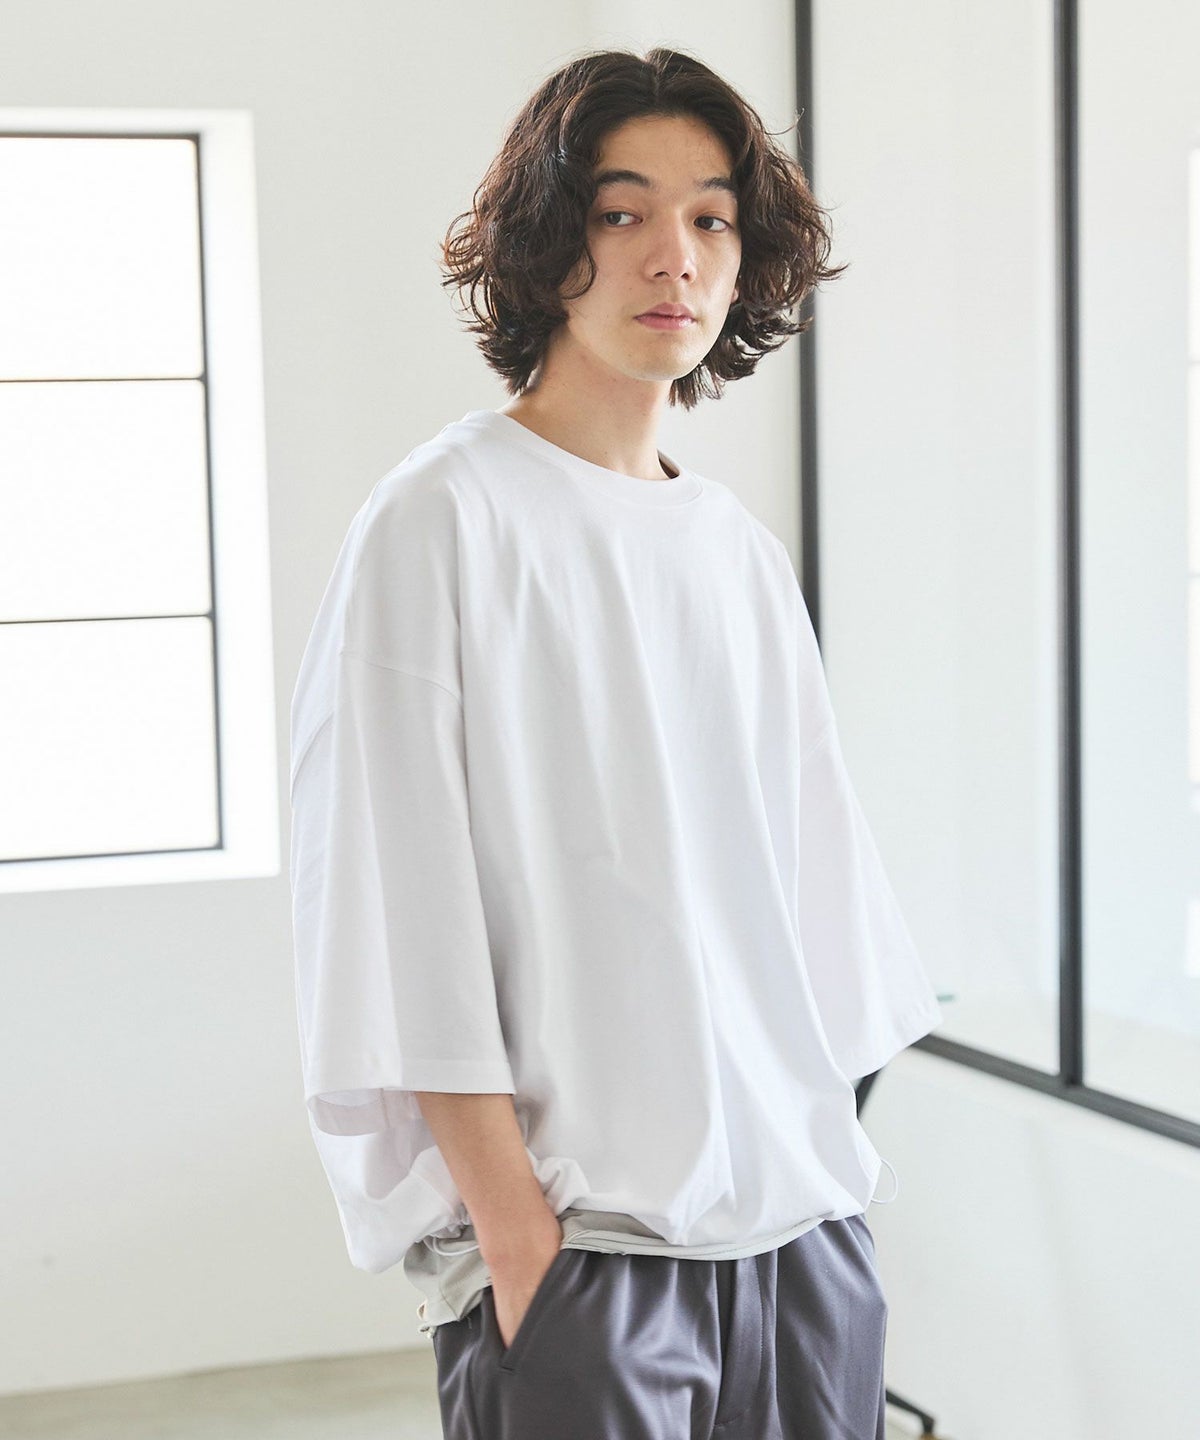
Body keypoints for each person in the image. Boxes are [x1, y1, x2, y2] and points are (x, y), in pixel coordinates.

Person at [288, 44, 943, 1440]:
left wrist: (822, 1175)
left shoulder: (737, 553)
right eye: (620, 210)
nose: (674, 257)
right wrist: (519, 1245)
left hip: (803, 1245)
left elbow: (813, 908)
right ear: (549, 241)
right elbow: (397, 906)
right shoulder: (443, 519)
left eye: (712, 218)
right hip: (584, 1261)